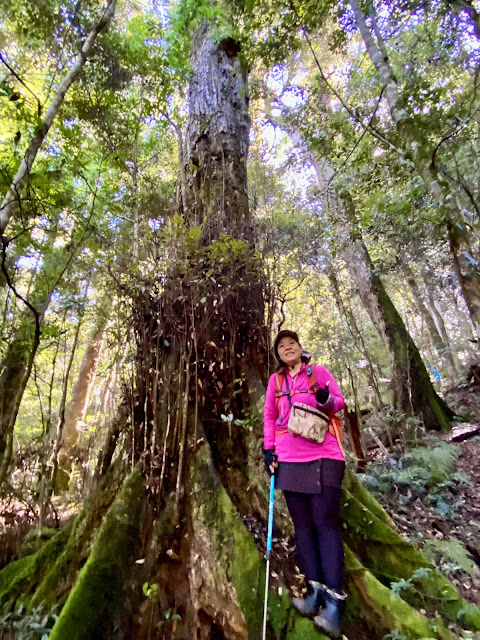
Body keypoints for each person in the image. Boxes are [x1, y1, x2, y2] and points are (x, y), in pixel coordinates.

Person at [263, 329, 347, 640]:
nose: (287, 348)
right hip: (288, 459)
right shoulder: (276, 382)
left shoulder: (318, 372)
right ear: (278, 355)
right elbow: (270, 417)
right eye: (282, 346)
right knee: (302, 526)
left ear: (301, 348)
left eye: (292, 344)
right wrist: (267, 449)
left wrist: (326, 399)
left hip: (324, 455)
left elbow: (338, 403)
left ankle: (334, 602)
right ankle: (314, 590)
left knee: (325, 522)